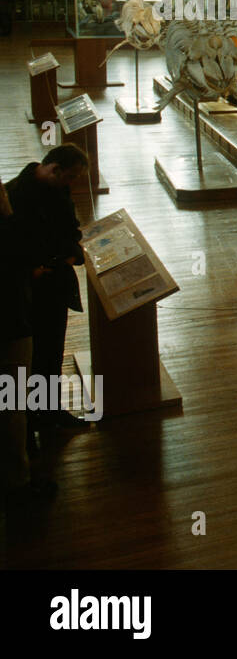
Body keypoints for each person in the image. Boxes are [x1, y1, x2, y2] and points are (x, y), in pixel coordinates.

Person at [5, 144, 89, 439]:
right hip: (31, 290)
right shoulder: (16, 194)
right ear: (54, 169)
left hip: (54, 286)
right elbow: (12, 245)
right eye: (69, 177)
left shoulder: (56, 190)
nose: (71, 184)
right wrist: (32, 270)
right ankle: (28, 422)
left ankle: (50, 412)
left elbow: (70, 228)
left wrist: (72, 252)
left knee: (52, 353)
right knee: (32, 358)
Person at [0, 179, 52, 503]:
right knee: (11, 405)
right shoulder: (8, 230)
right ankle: (16, 482)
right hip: (10, 327)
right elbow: (28, 259)